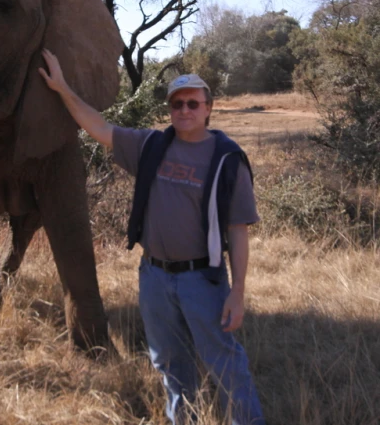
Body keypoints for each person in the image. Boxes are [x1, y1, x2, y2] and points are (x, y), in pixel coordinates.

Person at [39, 48, 265, 425]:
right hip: (155, 277)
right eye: (177, 105)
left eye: (193, 103)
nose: (184, 111)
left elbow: (237, 230)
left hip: (203, 280)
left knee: (224, 363)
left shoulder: (227, 159)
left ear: (209, 107)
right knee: (171, 366)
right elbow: (98, 127)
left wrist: (238, 290)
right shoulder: (151, 146)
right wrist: (62, 87)